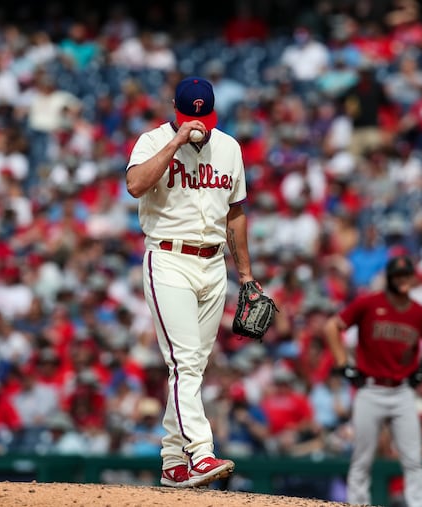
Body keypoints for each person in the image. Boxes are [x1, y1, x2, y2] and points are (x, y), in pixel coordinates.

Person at [125, 76, 258, 488]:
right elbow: (135, 185)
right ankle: (200, 452)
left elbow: (235, 213)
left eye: (203, 116)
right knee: (184, 361)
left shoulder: (230, 148)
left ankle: (170, 459)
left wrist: (247, 276)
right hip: (167, 259)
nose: (198, 123)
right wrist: (177, 142)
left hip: (213, 263)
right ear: (175, 110)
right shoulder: (152, 142)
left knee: (193, 368)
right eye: (189, 116)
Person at [324, 255, 422, 507]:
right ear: (389, 278)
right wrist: (343, 364)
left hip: (402, 391)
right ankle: (358, 504)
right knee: (362, 458)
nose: (402, 280)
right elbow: (332, 327)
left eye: (406, 275)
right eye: (398, 276)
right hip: (370, 388)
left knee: (412, 458)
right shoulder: (369, 304)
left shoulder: (420, 313)